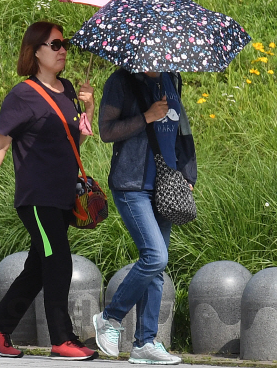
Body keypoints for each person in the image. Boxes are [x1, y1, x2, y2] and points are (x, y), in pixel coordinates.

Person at [0, 21, 98, 361]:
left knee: (39, 268)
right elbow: (0, 146)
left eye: (64, 44)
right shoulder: (22, 94)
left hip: (63, 195)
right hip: (37, 197)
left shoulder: (69, 88)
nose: (62, 51)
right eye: (55, 45)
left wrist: (87, 110)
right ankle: (62, 339)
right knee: (58, 262)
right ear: (36, 51)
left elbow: (75, 142)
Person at [93, 68, 196, 364]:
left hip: (166, 183)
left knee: (157, 267)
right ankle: (110, 318)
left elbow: (179, 129)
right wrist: (147, 116)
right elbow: (106, 131)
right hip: (131, 184)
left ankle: (144, 343)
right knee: (155, 256)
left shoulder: (170, 78)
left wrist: (186, 172)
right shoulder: (120, 81)